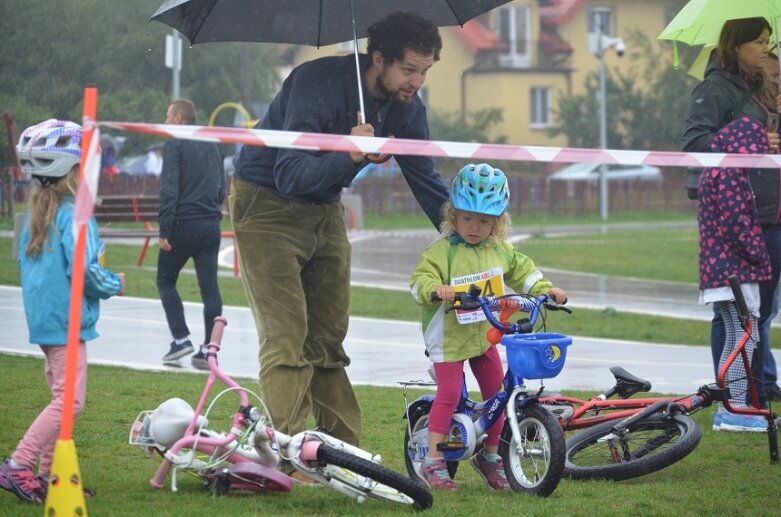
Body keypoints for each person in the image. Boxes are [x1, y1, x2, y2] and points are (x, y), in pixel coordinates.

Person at [230, 11, 449, 451]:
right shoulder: (315, 84)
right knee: (287, 337)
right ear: (379, 58)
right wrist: (349, 154)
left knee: (328, 339)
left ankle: (341, 451)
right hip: (266, 202)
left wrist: (467, 233)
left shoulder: (407, 109)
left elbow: (426, 181)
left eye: (425, 72)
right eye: (409, 70)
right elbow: (291, 175)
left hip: (324, 207)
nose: (417, 82)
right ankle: (290, 452)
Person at [409, 163, 567, 490]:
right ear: (453, 216)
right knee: (450, 392)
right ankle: (434, 460)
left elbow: (523, 271)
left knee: (498, 394)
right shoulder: (441, 252)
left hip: (484, 333)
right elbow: (418, 282)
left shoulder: (498, 250)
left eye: (484, 221)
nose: (475, 227)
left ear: (497, 223)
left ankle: (491, 456)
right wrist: (436, 289)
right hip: (449, 337)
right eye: (467, 218)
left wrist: (545, 289)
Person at [0, 119, 125, 504]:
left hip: (46, 323)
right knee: (70, 402)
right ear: (72, 172)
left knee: (62, 400)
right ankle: (19, 464)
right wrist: (113, 282)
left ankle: (50, 476)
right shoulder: (74, 216)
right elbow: (85, 271)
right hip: (65, 324)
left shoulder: (40, 213)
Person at [682, 17, 781, 419]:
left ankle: (754, 397)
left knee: (760, 315)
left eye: (768, 42)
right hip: (740, 217)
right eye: (758, 41)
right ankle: (733, 400)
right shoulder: (714, 89)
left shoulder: (766, 88)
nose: (765, 49)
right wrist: (753, 139)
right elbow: (695, 144)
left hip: (774, 214)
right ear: (735, 45)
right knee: (734, 315)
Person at [697, 117, 772, 432]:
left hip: (723, 267)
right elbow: (735, 224)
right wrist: (759, 253)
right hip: (734, 269)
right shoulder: (729, 174)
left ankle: (733, 407)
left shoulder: (716, 170)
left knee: (738, 335)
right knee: (745, 336)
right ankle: (735, 410)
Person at [158, 99, 226, 370]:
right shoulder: (213, 141)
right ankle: (208, 349)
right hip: (210, 224)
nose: (165, 122)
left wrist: (165, 227)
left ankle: (180, 339)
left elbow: (170, 186)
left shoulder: (175, 141)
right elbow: (222, 183)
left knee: (165, 280)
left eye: (167, 116)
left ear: (177, 119)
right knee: (209, 287)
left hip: (182, 224)